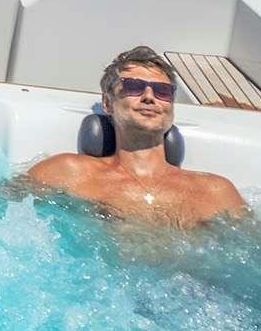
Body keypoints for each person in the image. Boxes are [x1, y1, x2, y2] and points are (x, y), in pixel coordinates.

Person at [25, 47, 246, 226]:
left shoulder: (216, 191)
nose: (149, 97)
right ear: (107, 103)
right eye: (134, 87)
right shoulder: (67, 172)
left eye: (163, 91)